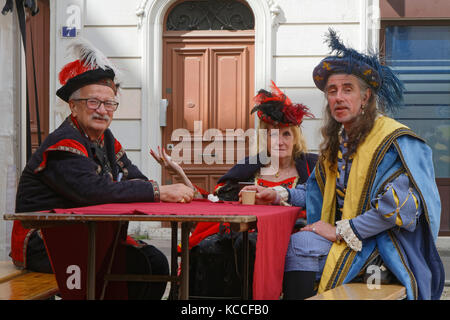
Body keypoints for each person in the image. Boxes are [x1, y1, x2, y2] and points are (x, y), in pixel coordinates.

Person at [10, 38, 194, 299]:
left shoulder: (106, 140)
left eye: (109, 104)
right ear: (73, 106)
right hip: (44, 243)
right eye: (93, 102)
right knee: (140, 264)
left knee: (154, 261)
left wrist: (165, 186)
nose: (103, 111)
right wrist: (159, 191)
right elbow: (95, 192)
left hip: (90, 236)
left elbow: (135, 179)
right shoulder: (64, 143)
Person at [282, 29, 445, 300]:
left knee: (300, 244)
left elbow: (401, 208)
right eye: (332, 91)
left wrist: (339, 231)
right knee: (287, 242)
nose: (338, 97)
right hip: (350, 241)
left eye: (348, 89)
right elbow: (317, 195)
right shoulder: (336, 144)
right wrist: (280, 194)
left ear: (366, 97)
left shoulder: (394, 141)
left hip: (387, 246)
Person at [152, 81, 318, 298]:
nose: (280, 141)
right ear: (264, 137)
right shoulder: (250, 167)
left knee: (247, 245)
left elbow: (320, 202)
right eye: (272, 134)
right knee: (206, 249)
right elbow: (212, 202)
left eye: (286, 134)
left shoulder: (311, 167)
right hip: (240, 234)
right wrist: (179, 174)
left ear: (295, 137)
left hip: (289, 236)